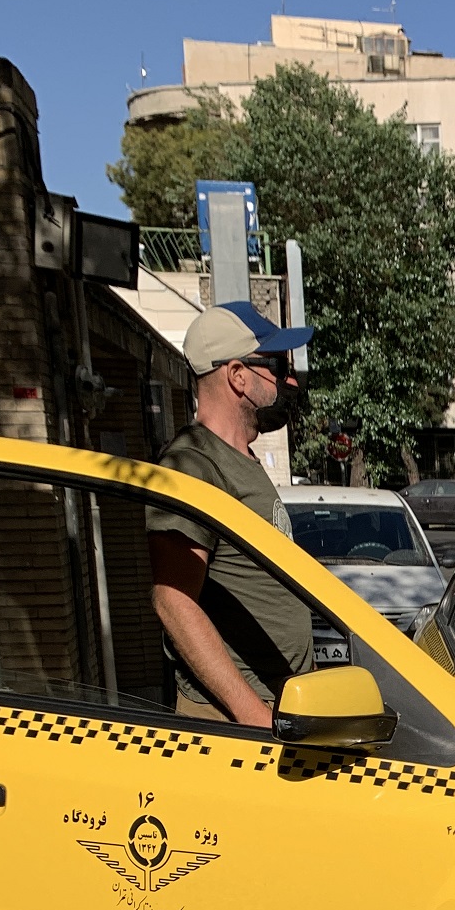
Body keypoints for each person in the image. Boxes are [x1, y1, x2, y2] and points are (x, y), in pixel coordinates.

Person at [148, 300, 316, 726]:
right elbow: (173, 601)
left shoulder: (239, 459)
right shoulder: (193, 465)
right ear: (238, 376)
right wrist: (254, 716)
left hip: (276, 705)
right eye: (276, 366)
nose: (288, 379)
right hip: (235, 721)